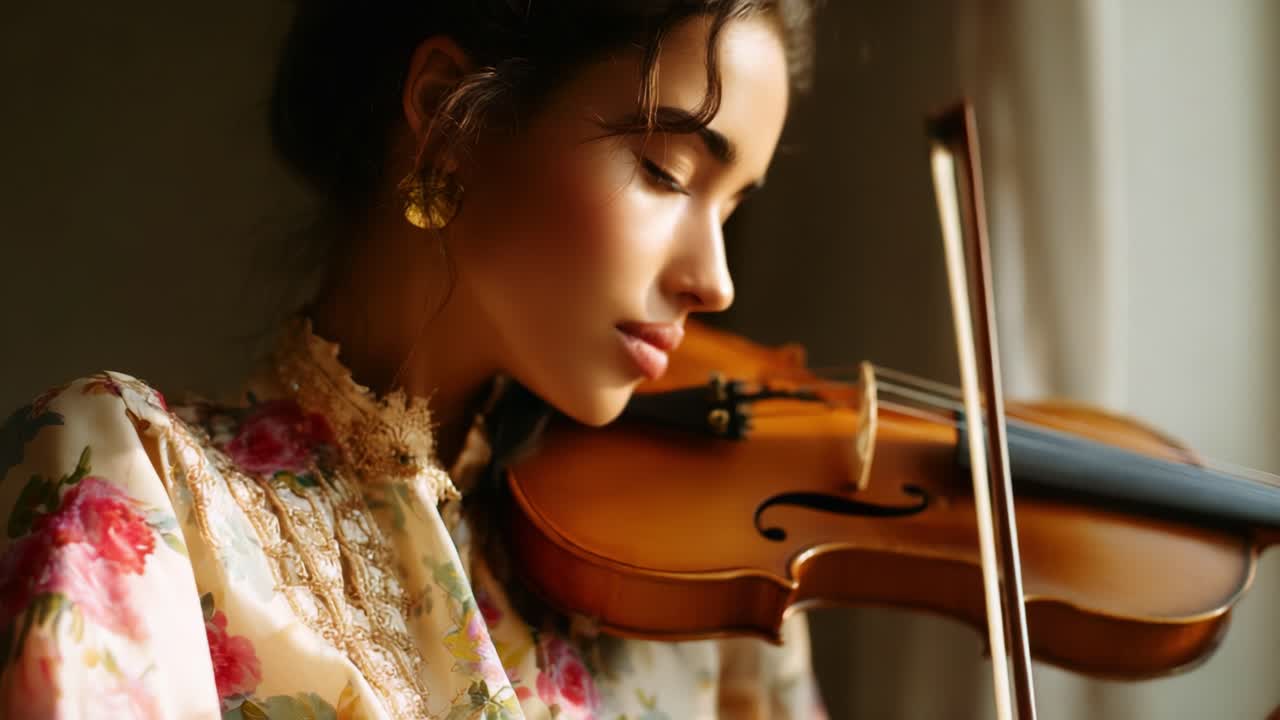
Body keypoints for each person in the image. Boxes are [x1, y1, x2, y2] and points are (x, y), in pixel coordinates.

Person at [0, 2, 827, 717]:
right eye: (665, 171)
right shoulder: (132, 480)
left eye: (732, 208)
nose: (714, 281)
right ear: (449, 114)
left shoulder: (711, 582)